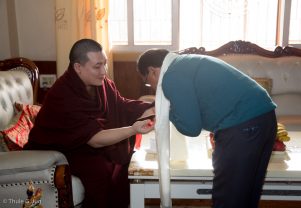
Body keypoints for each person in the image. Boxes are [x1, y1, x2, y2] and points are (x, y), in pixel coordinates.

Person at [137, 49, 277, 208]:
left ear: (152, 71)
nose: (152, 87)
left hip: (241, 125)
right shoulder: (186, 62)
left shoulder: (171, 76)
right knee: (247, 195)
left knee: (228, 198)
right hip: (266, 118)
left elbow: (191, 128)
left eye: (148, 82)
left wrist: (165, 114)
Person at [24, 39, 155, 208]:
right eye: (97, 66)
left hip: (84, 140)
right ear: (78, 67)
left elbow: (119, 105)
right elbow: (95, 139)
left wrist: (149, 107)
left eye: (105, 64)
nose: (103, 71)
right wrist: (132, 129)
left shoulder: (101, 82)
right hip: (59, 148)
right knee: (100, 170)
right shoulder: (63, 94)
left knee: (128, 159)